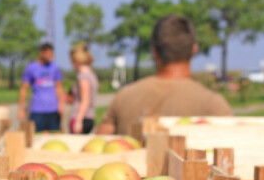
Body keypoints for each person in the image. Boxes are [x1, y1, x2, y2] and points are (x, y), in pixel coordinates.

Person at [97, 15, 232, 135]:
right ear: (194, 49)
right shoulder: (213, 104)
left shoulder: (124, 97)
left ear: (154, 52)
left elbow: (99, 143)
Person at [18, 43, 65, 132]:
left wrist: (61, 104)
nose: (51, 56)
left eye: (52, 54)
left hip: (53, 109)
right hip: (37, 110)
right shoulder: (31, 68)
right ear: (41, 53)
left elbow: (59, 87)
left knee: (55, 135)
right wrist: (21, 109)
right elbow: (24, 89)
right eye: (49, 53)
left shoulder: (55, 68)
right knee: (36, 136)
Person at [68, 42, 99, 134]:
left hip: (82, 117)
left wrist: (78, 120)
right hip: (90, 116)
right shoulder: (91, 74)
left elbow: (85, 100)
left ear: (76, 61)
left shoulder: (83, 76)